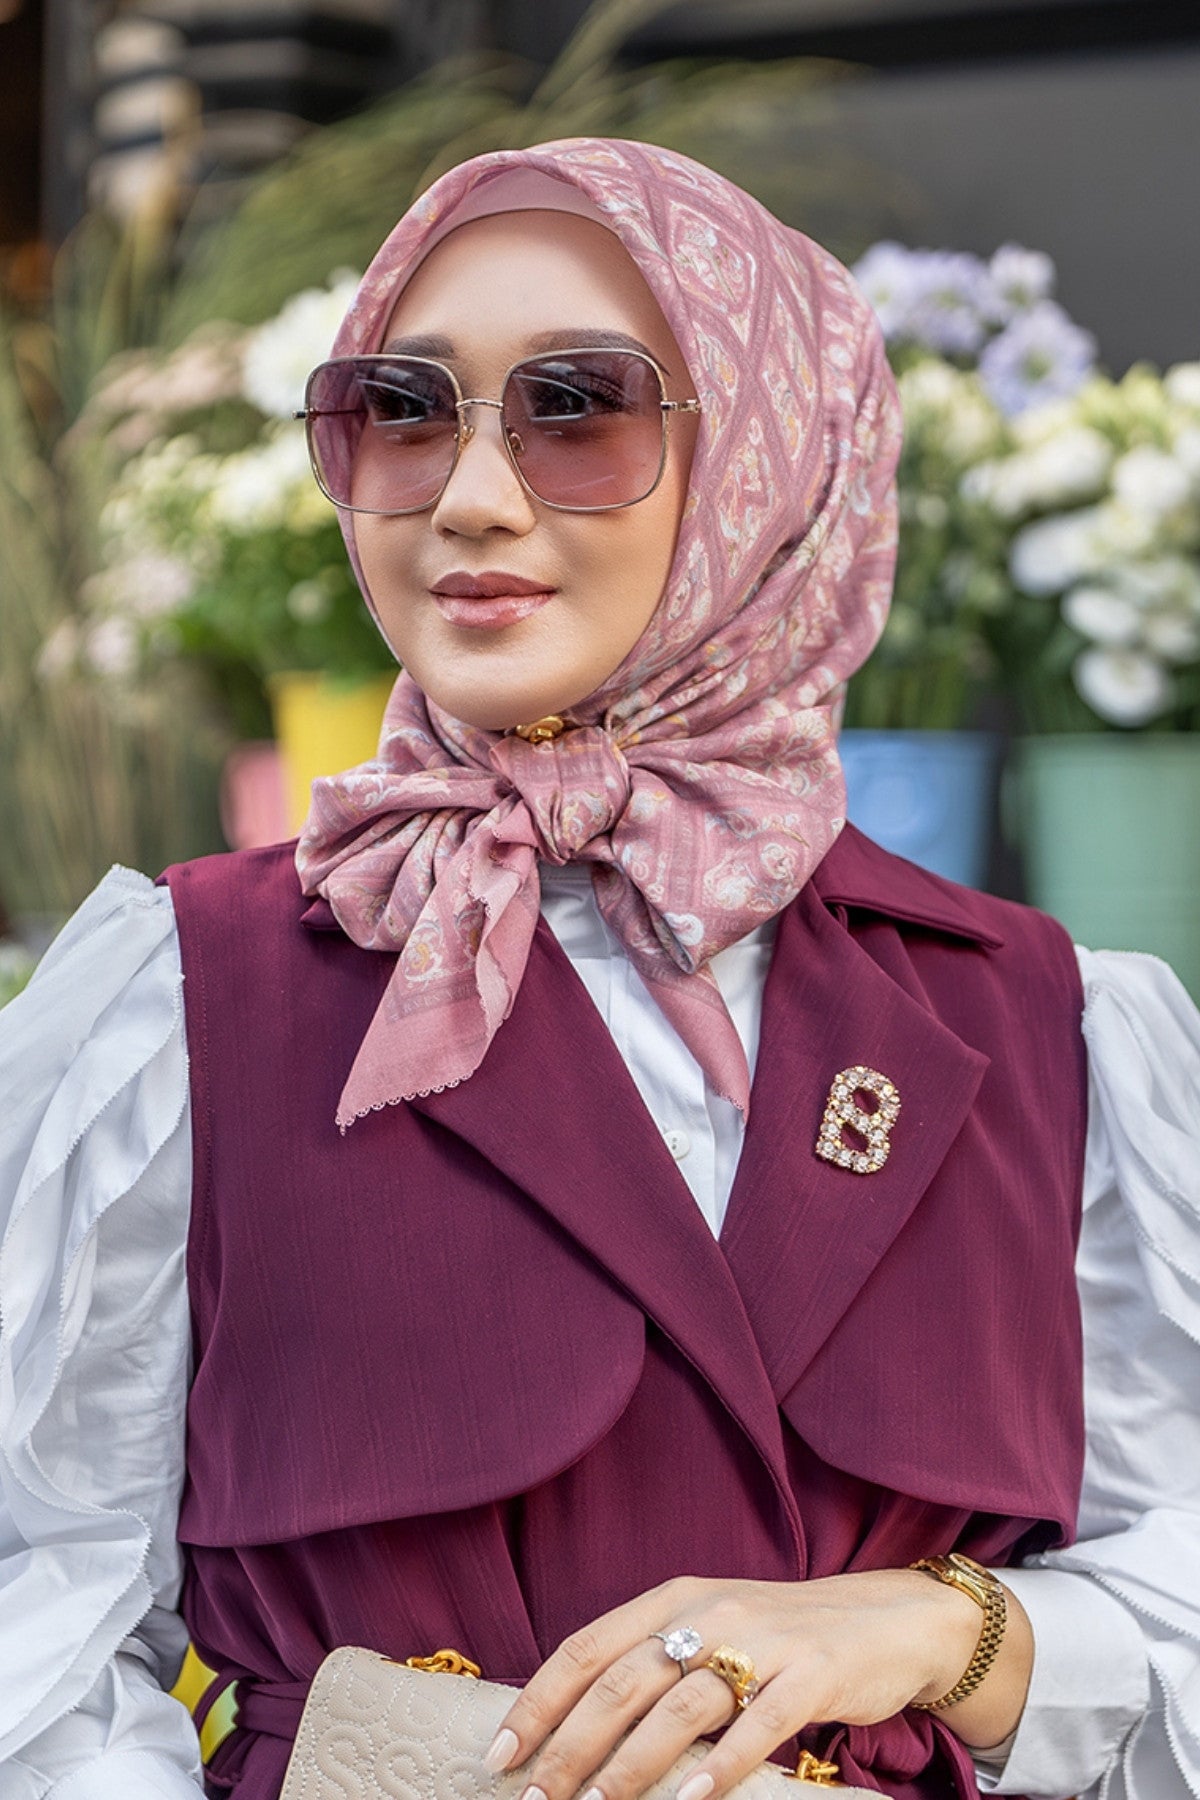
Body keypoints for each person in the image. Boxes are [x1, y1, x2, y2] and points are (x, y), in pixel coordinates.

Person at [0, 138, 1197, 1800]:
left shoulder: (1052, 1024)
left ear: (772, 459)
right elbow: (38, 1619)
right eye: (402, 409)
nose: (471, 496)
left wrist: (939, 1628)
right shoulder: (187, 999)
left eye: (578, 407)